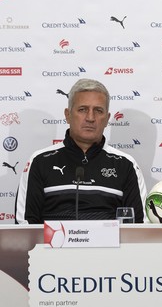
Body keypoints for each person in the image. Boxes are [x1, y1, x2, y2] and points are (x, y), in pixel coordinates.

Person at [15, 78, 147, 223]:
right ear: (68, 115)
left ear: (107, 118)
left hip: (109, 246)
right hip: (51, 245)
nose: (90, 118)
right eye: (82, 110)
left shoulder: (126, 165)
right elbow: (24, 226)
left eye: (98, 111)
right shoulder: (40, 161)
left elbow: (139, 227)